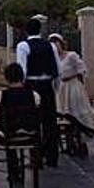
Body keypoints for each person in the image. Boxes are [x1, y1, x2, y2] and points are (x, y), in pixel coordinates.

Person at [16, 18, 61, 166]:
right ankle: (52, 157)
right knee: (50, 122)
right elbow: (57, 68)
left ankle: (36, 157)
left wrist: (22, 88)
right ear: (40, 30)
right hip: (47, 84)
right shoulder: (51, 46)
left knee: (32, 122)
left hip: (32, 85)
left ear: (26, 30)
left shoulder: (23, 46)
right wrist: (56, 87)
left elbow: (22, 69)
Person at [49, 33, 94, 132]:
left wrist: (73, 76)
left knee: (75, 110)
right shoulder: (53, 59)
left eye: (56, 42)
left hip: (72, 86)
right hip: (61, 88)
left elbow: (82, 69)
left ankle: (79, 131)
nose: (55, 45)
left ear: (61, 43)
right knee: (62, 111)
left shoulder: (71, 55)